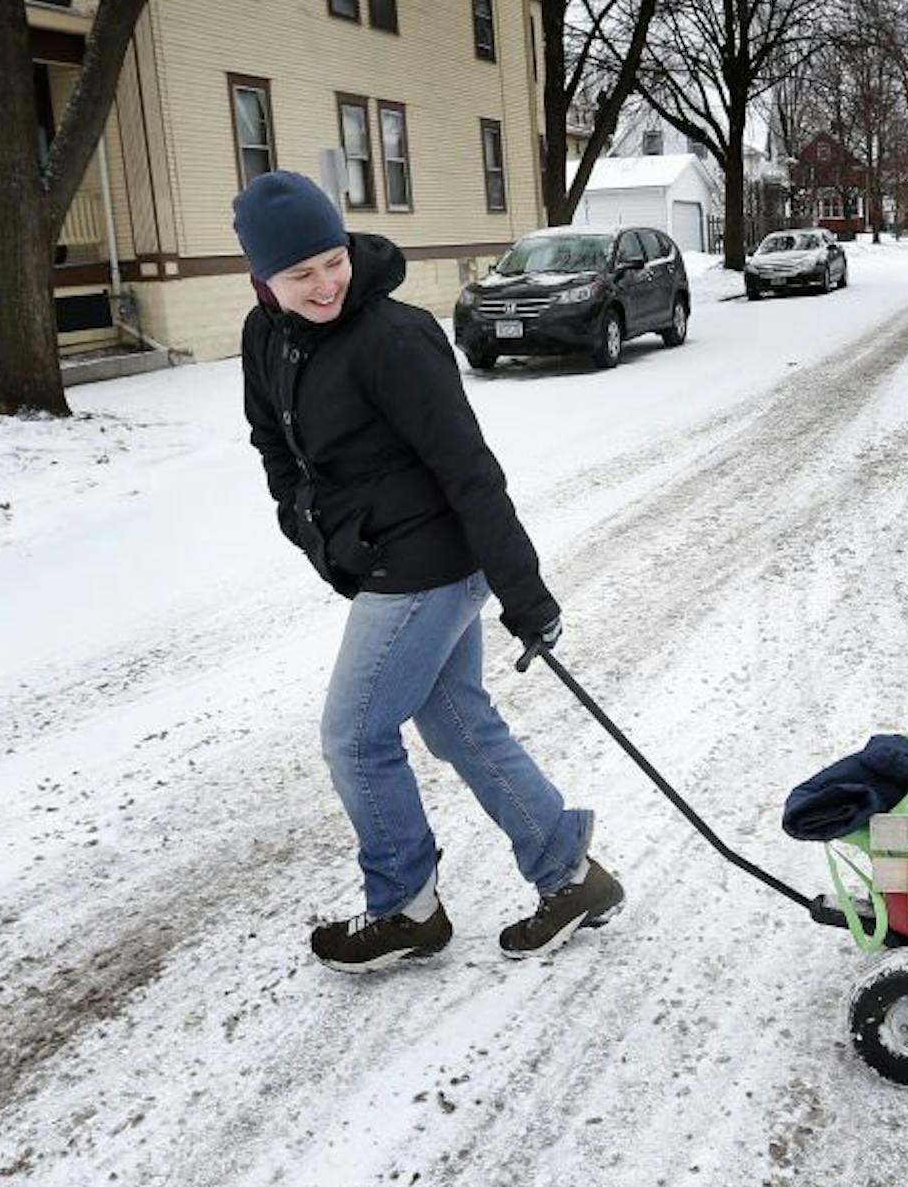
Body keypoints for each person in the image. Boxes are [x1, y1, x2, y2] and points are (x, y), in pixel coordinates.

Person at [236, 170, 623, 971]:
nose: (323, 284)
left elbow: (470, 470)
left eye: (331, 260)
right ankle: (568, 871)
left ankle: (405, 904)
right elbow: (273, 443)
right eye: (298, 273)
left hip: (426, 566)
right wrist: (307, 525)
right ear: (262, 280)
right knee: (458, 725)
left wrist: (527, 593)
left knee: (354, 736)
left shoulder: (394, 337)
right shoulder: (265, 336)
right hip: (385, 556)